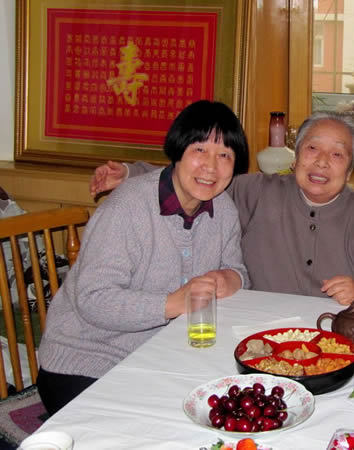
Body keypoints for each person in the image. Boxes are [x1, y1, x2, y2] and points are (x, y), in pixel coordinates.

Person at [38, 100, 250, 415]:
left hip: (159, 357)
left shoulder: (224, 210)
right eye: (199, 150)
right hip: (84, 361)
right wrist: (172, 303)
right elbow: (93, 299)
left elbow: (238, 272)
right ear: (178, 151)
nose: (211, 167)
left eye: (224, 156)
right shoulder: (127, 208)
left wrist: (231, 278)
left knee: (230, 406)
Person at [89, 111, 354, 306]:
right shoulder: (258, 191)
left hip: (337, 339)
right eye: (312, 148)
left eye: (337, 154)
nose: (321, 162)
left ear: (350, 167)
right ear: (296, 156)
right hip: (259, 334)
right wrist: (131, 173)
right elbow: (200, 180)